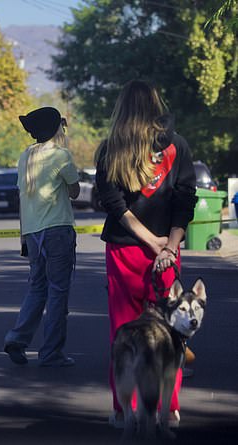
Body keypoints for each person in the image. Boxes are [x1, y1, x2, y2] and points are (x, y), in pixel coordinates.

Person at [95, 80, 197, 428]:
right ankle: (168, 409)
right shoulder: (177, 146)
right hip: (167, 254)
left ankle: (125, 410)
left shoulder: (111, 149)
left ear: (122, 107)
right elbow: (186, 198)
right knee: (169, 334)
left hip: (125, 251)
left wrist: (148, 240)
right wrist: (168, 243)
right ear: (156, 104)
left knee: (124, 332)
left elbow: (113, 205)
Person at [3, 107, 80, 367]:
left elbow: (23, 200)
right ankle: (51, 352)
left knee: (37, 288)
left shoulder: (25, 157)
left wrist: (23, 238)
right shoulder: (61, 155)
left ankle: (17, 338)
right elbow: (75, 192)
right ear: (56, 128)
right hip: (58, 230)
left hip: (33, 233)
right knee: (58, 292)